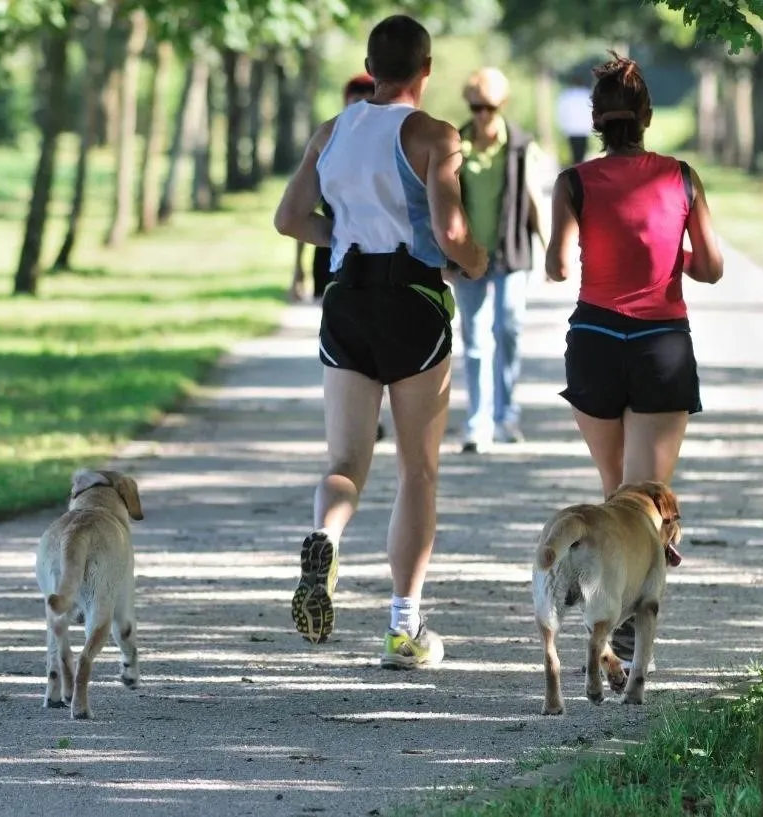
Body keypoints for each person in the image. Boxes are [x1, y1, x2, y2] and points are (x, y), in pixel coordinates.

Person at [273, 14, 488, 668]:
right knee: (418, 471)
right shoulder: (434, 135)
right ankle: (404, 625)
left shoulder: (332, 132)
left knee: (344, 461)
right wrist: (477, 262)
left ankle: (326, 536)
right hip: (414, 303)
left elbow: (289, 218)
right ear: (426, 71)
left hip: (347, 302)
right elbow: (451, 234)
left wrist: (341, 243)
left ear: (371, 68)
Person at [545, 53, 724, 665]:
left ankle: (607, 604)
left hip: (594, 338)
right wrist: (673, 259)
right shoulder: (682, 177)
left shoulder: (573, 182)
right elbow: (712, 267)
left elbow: (557, 265)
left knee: (615, 491)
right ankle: (626, 621)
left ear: (595, 119)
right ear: (647, 115)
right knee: (646, 498)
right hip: (661, 343)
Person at [450, 67, 552, 452]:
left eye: (489, 107)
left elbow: (535, 202)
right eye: (476, 106)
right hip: (468, 256)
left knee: (507, 332)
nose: (482, 114)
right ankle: (478, 422)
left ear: (502, 105)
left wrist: (548, 251)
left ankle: (506, 414)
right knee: (474, 339)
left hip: (511, 253)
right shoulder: (455, 145)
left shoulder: (522, 146)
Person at [290, 73, 377, 304]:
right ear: (345, 102)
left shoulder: (390, 150)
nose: (360, 108)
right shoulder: (327, 146)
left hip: (380, 259)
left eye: (367, 101)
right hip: (330, 254)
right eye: (355, 101)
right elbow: (299, 212)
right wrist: (298, 268)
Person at [556, 72, 595, 165]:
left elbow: (561, 112)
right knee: (581, 154)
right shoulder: (587, 94)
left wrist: (563, 126)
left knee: (574, 154)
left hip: (571, 129)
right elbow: (592, 112)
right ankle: (579, 170)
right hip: (583, 129)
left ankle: (575, 170)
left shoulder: (566, 95)